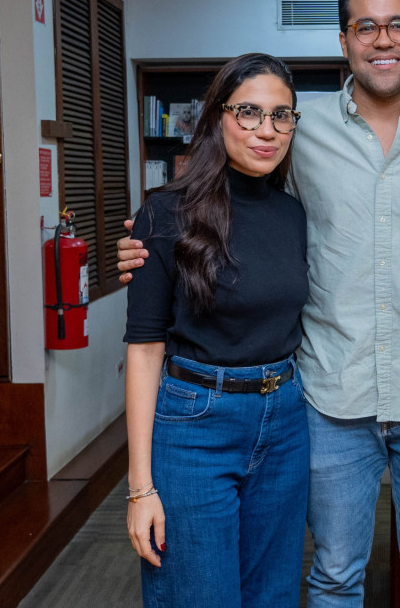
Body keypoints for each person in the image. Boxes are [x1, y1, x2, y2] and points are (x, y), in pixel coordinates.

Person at [118, 0, 400, 606]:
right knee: (331, 576)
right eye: (366, 26)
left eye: (397, 23)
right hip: (326, 398)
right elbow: (224, 218)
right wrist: (149, 243)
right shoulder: (302, 130)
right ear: (344, 40)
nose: (383, 39)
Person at [123, 53, 310, 607]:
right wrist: (140, 488)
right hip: (194, 422)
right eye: (248, 112)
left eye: (281, 115)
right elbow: (144, 350)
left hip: (284, 420)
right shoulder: (163, 214)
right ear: (216, 116)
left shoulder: (293, 214)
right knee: (198, 593)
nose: (265, 130)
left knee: (272, 594)